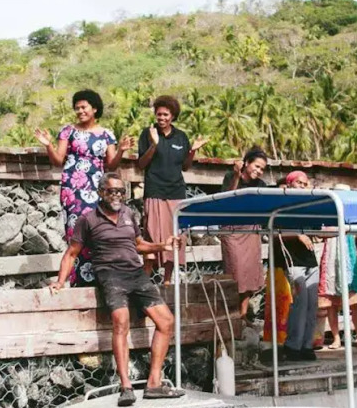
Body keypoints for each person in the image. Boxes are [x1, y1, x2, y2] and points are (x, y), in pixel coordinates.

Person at [50, 175, 183, 407]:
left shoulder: (130, 215)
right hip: (110, 275)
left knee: (166, 321)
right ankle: (126, 387)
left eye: (122, 192)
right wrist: (60, 282)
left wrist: (163, 245)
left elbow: (139, 244)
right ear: (100, 192)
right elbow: (72, 253)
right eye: (112, 191)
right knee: (121, 321)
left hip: (136, 274)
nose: (117, 196)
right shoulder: (88, 220)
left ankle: (153, 384)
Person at [34, 90, 124, 285]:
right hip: (73, 189)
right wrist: (48, 144)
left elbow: (112, 165)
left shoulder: (107, 135)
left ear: (95, 108)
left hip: (98, 189)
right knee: (76, 231)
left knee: (99, 230)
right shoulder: (68, 131)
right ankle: (77, 280)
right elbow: (58, 160)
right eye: (77, 108)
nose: (80, 111)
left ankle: (99, 277)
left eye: (84, 107)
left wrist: (122, 150)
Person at [134, 95, 206, 282]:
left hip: (176, 193)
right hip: (154, 191)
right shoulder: (147, 133)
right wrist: (154, 144)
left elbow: (185, 166)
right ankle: (145, 280)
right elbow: (141, 164)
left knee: (174, 236)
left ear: (172, 116)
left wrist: (193, 150)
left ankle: (167, 280)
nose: (162, 118)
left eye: (166, 114)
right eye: (159, 114)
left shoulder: (181, 137)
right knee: (151, 234)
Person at [218, 146, 271, 334]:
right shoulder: (230, 177)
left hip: (251, 229)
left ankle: (242, 315)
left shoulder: (262, 186)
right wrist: (236, 176)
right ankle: (231, 315)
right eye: (256, 166)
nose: (258, 171)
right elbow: (227, 199)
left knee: (249, 272)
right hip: (231, 230)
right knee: (235, 270)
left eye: (262, 169)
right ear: (246, 163)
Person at [270, 170, 320, 362]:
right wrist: (298, 234)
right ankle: (293, 345)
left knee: (312, 304)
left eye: (305, 183)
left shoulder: (308, 205)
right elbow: (274, 233)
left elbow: (317, 231)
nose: (303, 186)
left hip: (309, 260)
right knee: (300, 303)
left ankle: (307, 345)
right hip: (292, 259)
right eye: (299, 182)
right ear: (290, 184)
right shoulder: (282, 205)